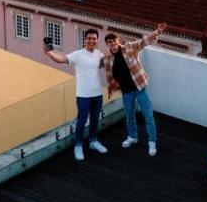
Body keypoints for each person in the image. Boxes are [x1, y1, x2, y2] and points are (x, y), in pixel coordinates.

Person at [44, 28, 108, 161]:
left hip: (97, 93)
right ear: (84, 40)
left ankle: (93, 141)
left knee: (95, 119)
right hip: (83, 95)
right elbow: (62, 59)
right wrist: (49, 53)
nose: (91, 41)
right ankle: (78, 146)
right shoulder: (78, 55)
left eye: (94, 39)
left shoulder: (98, 54)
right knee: (81, 121)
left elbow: (105, 64)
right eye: (89, 38)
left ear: (97, 41)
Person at [103, 23, 165, 156]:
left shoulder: (129, 47)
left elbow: (144, 42)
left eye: (114, 40)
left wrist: (157, 32)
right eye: (109, 42)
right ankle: (132, 136)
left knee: (148, 116)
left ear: (118, 41)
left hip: (139, 88)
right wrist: (111, 89)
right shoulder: (107, 58)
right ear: (107, 44)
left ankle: (152, 141)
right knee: (129, 116)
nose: (112, 43)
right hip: (126, 91)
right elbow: (107, 74)